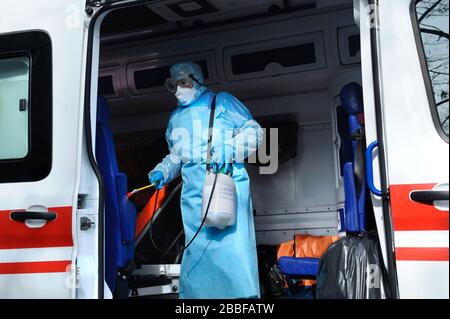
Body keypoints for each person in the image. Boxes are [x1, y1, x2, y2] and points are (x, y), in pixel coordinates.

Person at [148, 62, 263, 299]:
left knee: (233, 250)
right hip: (194, 196)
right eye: (174, 84)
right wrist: (163, 170)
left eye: (184, 82)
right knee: (198, 251)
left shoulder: (222, 102)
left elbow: (254, 132)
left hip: (226, 185)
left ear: (197, 80)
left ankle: (241, 300)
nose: (179, 89)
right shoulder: (175, 119)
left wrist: (229, 148)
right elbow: (177, 155)